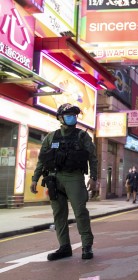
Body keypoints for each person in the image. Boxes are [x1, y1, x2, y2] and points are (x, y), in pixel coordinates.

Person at [30, 103, 97, 260]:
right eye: (68, 115)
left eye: (74, 115)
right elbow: (42, 160)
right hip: (54, 178)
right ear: (60, 118)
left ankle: (87, 246)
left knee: (80, 212)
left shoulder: (83, 136)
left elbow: (92, 158)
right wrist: (35, 179)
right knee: (59, 214)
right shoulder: (51, 137)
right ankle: (64, 247)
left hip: (74, 177)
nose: (72, 118)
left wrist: (93, 178)